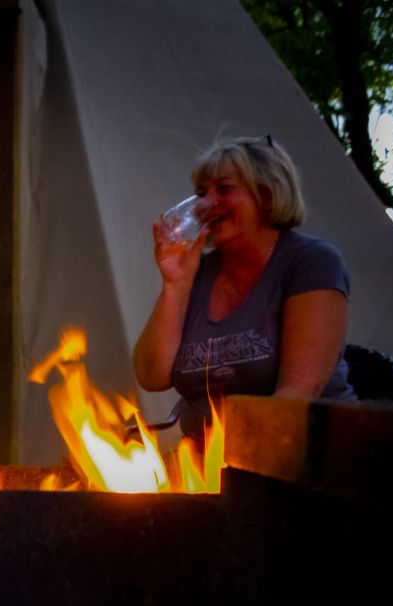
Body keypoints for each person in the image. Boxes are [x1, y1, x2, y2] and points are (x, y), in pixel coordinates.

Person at [133, 136, 355, 441]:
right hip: (205, 470)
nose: (206, 204)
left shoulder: (311, 261)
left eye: (224, 188)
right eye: (201, 193)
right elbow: (151, 377)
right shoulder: (197, 272)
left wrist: (225, 465)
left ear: (266, 194)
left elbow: (296, 396)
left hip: (302, 457)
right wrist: (175, 284)